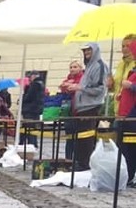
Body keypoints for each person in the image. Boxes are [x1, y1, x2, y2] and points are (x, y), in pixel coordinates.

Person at [69, 43, 108, 172]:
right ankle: (81, 162)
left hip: (91, 107)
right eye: (85, 51)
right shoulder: (89, 67)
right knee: (81, 138)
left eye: (89, 51)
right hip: (82, 108)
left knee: (87, 138)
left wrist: (80, 88)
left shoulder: (99, 66)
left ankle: (85, 164)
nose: (86, 53)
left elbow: (100, 89)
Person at [117, 39, 136, 185]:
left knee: (131, 146)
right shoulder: (127, 67)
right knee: (126, 146)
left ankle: (130, 174)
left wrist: (131, 86)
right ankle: (128, 174)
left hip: (132, 114)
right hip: (125, 112)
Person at [58, 59, 84, 160]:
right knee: (69, 137)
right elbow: (63, 88)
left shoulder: (82, 78)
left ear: (80, 68)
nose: (72, 69)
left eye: (75, 67)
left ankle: (77, 159)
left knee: (78, 138)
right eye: (71, 67)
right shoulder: (68, 78)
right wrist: (65, 86)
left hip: (78, 110)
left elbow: (80, 88)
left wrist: (71, 86)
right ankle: (68, 159)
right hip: (68, 110)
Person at [106, 34, 136, 116]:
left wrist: (130, 85)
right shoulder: (120, 64)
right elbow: (117, 87)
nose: (124, 49)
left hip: (131, 110)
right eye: (123, 46)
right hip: (118, 109)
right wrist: (111, 85)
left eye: (128, 46)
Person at [20, 70, 45, 147]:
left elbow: (29, 97)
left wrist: (23, 97)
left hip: (30, 110)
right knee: (32, 128)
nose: (30, 79)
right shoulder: (41, 84)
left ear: (33, 76)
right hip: (36, 110)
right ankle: (31, 144)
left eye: (30, 77)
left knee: (29, 128)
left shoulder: (35, 84)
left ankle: (30, 144)